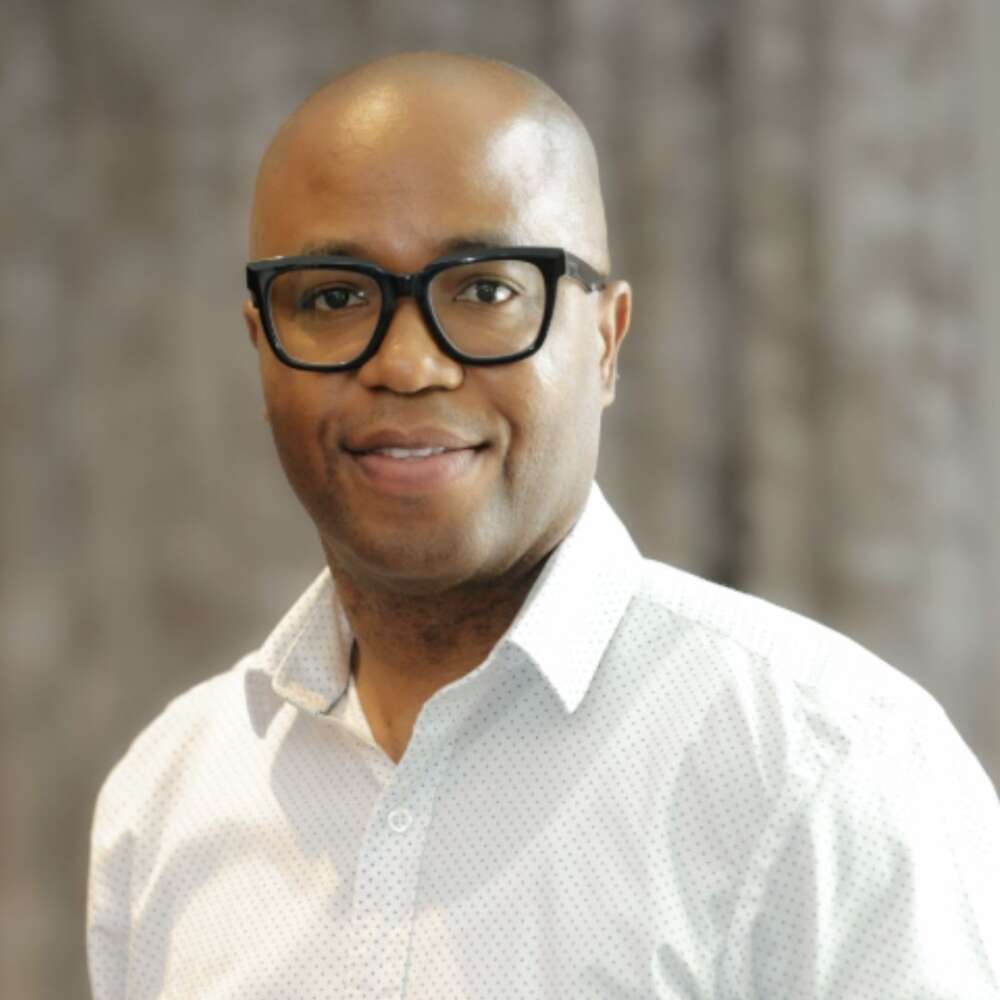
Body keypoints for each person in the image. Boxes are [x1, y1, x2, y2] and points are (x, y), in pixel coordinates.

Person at [86, 51, 1000, 999]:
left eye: (484, 291)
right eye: (333, 297)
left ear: (605, 343)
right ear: (260, 348)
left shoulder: (827, 767)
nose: (406, 364)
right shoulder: (169, 799)